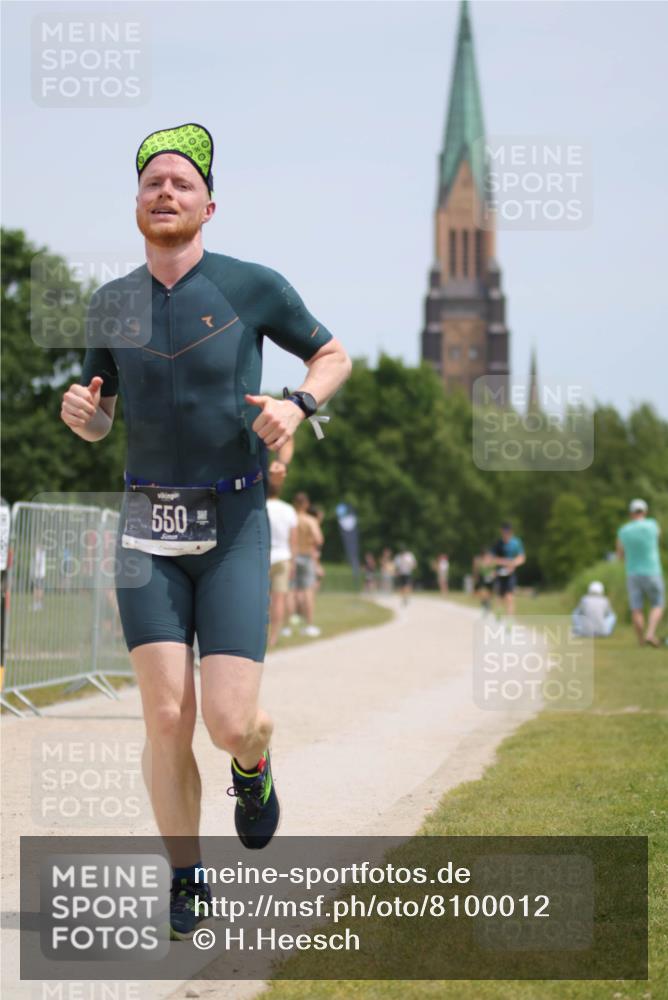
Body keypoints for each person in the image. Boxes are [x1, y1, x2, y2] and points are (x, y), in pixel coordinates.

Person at [59, 122, 351, 939]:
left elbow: (333, 355)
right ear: (136, 204)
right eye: (152, 181)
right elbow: (100, 416)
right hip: (145, 526)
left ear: (209, 206)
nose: (165, 191)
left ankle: (253, 765)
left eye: (181, 182)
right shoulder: (111, 303)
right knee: (164, 719)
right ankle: (186, 876)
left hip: (232, 524)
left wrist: (299, 404)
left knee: (228, 722)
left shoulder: (252, 286)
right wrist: (83, 416)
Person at [616, 498, 665, 647]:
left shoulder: (623, 530)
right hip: (652, 571)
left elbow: (620, 555)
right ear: (645, 511)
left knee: (636, 609)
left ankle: (641, 641)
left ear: (631, 513)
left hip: (632, 573)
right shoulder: (652, 525)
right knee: (658, 604)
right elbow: (658, 537)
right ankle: (650, 633)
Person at [266, 460, 297, 648]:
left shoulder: (261, 507)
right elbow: (293, 541)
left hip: (263, 558)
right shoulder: (289, 510)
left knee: (260, 600)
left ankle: (260, 634)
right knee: (279, 599)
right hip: (283, 557)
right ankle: (274, 637)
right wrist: (293, 562)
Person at [292, 492, 323, 636]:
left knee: (292, 592)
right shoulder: (310, 520)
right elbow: (319, 539)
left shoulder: (291, 518)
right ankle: (309, 625)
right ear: (307, 504)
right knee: (308, 591)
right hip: (306, 555)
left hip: (292, 556)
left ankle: (287, 626)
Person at [491, 522, 526, 619]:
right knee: (500, 597)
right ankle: (498, 615)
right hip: (499, 573)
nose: (506, 534)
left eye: (508, 532)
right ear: (501, 532)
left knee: (510, 597)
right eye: (504, 532)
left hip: (511, 573)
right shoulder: (498, 544)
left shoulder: (516, 543)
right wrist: (504, 562)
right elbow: (492, 559)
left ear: (511, 532)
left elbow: (522, 558)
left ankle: (510, 620)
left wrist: (513, 563)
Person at [472, 548, 495, 616]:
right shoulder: (478, 560)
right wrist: (475, 577)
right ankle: (485, 604)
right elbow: (476, 570)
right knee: (481, 592)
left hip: (490, 578)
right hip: (482, 577)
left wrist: (493, 574)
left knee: (489, 594)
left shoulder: (491, 559)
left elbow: (494, 569)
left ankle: (488, 604)